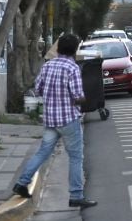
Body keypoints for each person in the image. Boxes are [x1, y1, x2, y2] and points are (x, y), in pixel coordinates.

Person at [12, 33, 97, 209]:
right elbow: (77, 96)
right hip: (68, 119)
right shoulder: (72, 68)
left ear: (58, 49)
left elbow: (38, 89)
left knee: (42, 153)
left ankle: (22, 182)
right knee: (75, 157)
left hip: (50, 119)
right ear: (75, 50)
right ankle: (76, 195)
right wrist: (84, 98)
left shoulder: (48, 65)